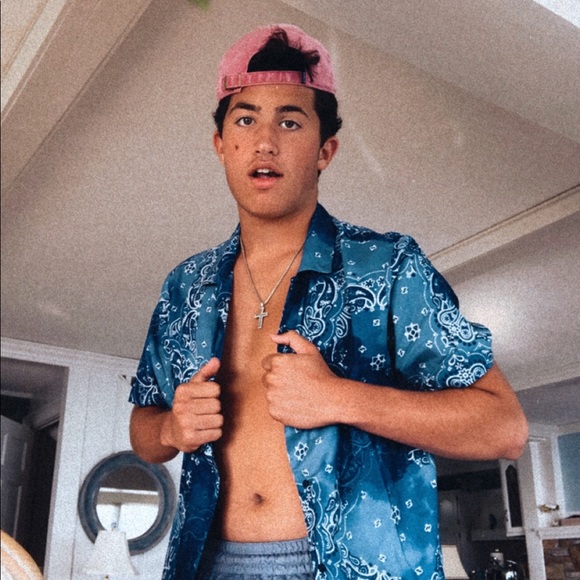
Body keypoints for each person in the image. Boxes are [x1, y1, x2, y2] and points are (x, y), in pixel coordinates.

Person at [129, 24, 528, 580]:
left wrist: (341, 398)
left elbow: (504, 427)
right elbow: (144, 428)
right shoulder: (185, 286)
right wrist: (172, 429)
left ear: (325, 150)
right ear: (220, 145)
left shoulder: (387, 267)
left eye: (290, 121)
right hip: (208, 564)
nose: (265, 142)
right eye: (245, 119)